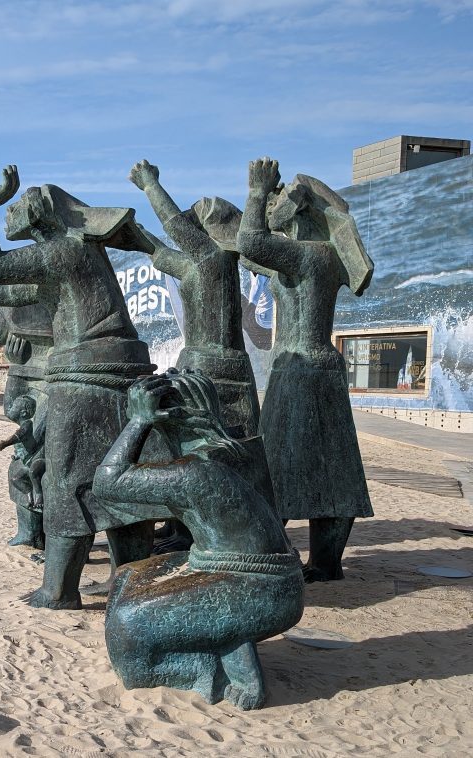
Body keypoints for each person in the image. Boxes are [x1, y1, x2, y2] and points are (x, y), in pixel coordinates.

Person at [0, 165, 157, 609]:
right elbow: (17, 293)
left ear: (41, 213)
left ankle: (58, 590)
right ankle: (131, 581)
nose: (13, 209)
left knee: (65, 480)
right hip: (119, 371)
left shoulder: (62, 249)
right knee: (123, 479)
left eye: (20, 204)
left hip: (85, 380)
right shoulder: (76, 254)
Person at [93, 370, 303, 710]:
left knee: (127, 626)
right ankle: (221, 644)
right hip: (249, 572)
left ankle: (210, 669)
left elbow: (107, 483)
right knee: (127, 575)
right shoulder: (228, 449)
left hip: (261, 588)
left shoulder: (197, 472)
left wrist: (139, 421)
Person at [236, 157, 375, 582]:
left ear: (297, 210)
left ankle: (288, 556)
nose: (271, 206)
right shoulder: (315, 256)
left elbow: (251, 243)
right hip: (311, 368)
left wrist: (257, 190)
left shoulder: (311, 254)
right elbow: (248, 254)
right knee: (329, 469)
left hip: (301, 370)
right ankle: (324, 562)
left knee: (280, 467)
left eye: (279, 201)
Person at [128, 159, 261, 437]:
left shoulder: (216, 259)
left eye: (195, 219)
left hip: (217, 370)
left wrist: (150, 185)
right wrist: (137, 233)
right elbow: (160, 254)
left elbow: (174, 225)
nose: (188, 223)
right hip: (201, 366)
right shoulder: (198, 267)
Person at [0, 394, 47, 517]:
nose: (10, 409)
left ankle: (39, 495)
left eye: (14, 407)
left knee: (33, 472)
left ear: (23, 413)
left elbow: (19, 436)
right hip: (27, 462)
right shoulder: (24, 426)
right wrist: (17, 455)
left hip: (36, 459)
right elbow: (22, 448)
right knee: (16, 479)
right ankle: (29, 494)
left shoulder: (27, 425)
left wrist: (5, 443)